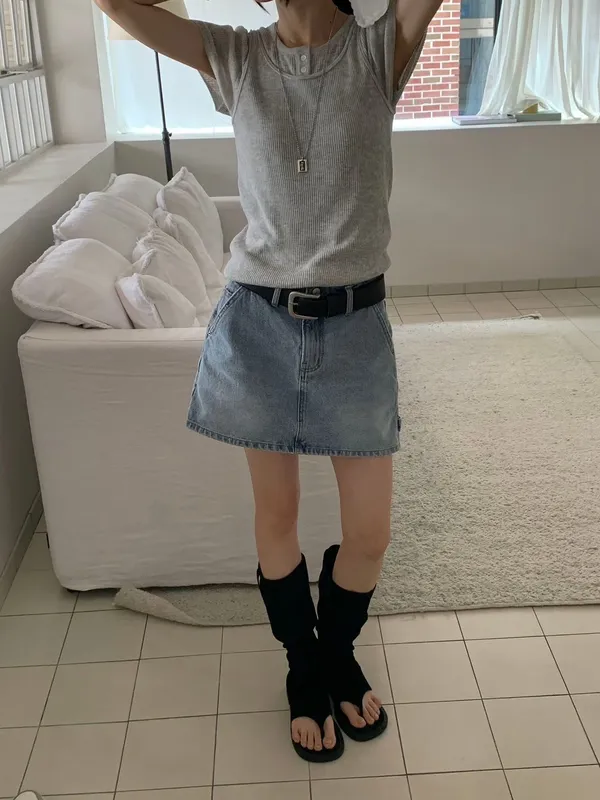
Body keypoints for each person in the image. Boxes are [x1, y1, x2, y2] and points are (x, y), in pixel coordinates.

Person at [95, 0, 443, 764]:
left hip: (355, 330)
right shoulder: (235, 56)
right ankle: (305, 665)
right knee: (276, 514)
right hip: (258, 327)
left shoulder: (381, 47)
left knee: (371, 533)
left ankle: (336, 649)